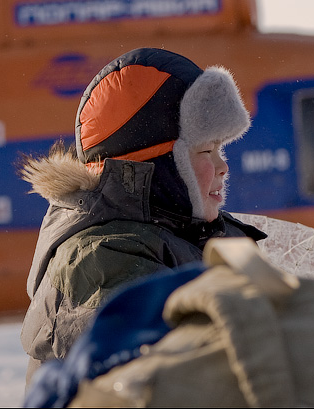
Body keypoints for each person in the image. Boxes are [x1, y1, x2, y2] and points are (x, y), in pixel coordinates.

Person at [18, 47, 265, 385]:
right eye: (206, 150)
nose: (223, 166)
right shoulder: (102, 259)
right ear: (156, 165)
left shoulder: (197, 234)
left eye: (220, 148)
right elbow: (170, 383)